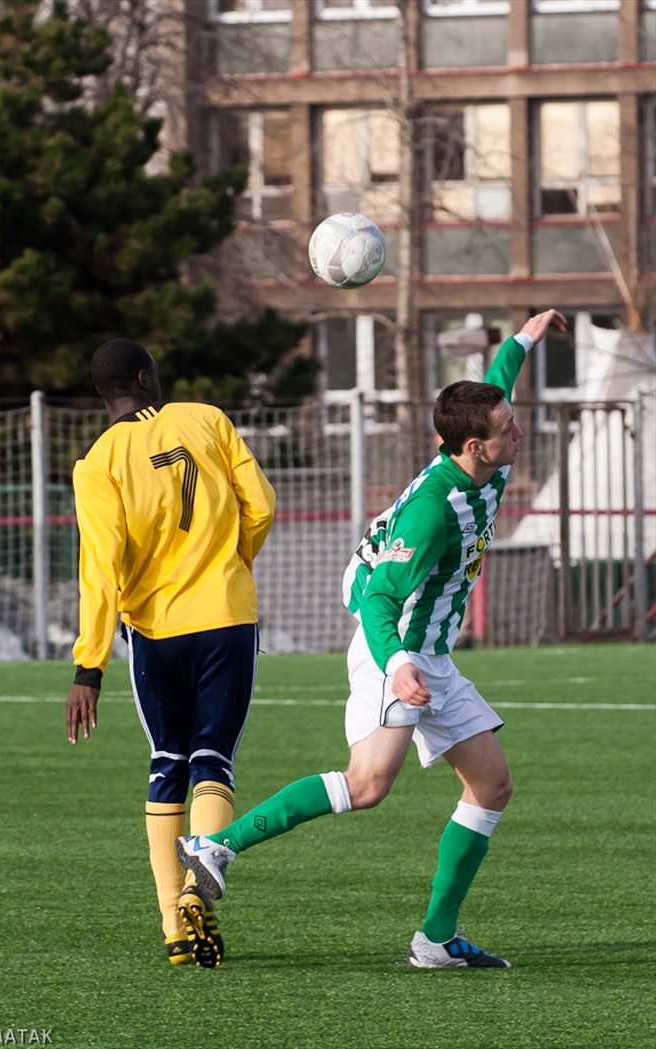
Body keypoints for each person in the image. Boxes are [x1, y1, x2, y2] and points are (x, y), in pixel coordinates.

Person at [176, 308, 568, 969]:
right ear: (474, 446)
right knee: (367, 784)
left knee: (492, 785)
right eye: (508, 430)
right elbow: (380, 598)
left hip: (429, 657)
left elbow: (498, 379)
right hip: (398, 648)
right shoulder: (434, 509)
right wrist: (398, 666)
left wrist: (526, 335)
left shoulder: (480, 461)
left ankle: (436, 940)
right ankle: (215, 846)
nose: (519, 432)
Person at [65, 338, 275, 968]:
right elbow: (259, 505)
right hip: (226, 618)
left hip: (155, 631)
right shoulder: (207, 419)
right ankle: (196, 893)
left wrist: (89, 665)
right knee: (214, 761)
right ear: (145, 376)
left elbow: (99, 569)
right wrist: (232, 566)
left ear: (106, 393)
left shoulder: (96, 463)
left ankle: (173, 927)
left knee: (168, 762)